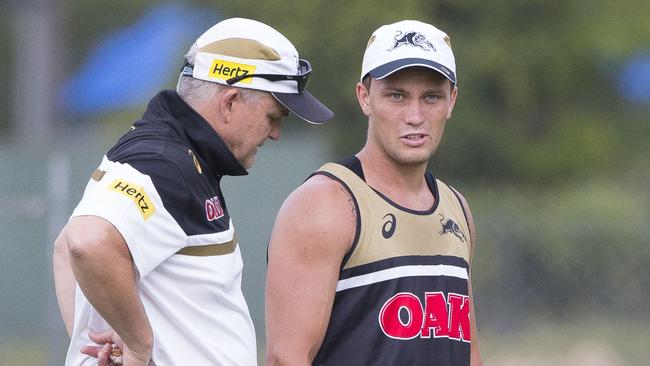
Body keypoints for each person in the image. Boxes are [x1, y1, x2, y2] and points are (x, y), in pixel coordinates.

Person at [52, 17, 333, 366]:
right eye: (273, 116)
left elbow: (66, 246)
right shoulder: (165, 161)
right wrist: (138, 347)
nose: (275, 133)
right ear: (230, 102)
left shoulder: (171, 154)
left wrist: (91, 346)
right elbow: (86, 242)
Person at [265, 20, 482, 365]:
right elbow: (285, 357)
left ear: (452, 101)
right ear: (365, 98)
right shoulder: (325, 205)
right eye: (396, 95)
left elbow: (468, 354)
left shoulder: (457, 210)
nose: (415, 116)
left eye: (431, 97)